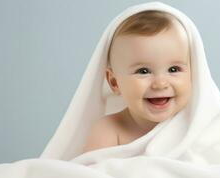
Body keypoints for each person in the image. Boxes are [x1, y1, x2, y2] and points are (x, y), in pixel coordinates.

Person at [82, 11, 192, 153]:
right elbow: (89, 175)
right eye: (143, 71)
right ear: (115, 82)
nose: (160, 83)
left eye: (173, 69)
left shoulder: (197, 125)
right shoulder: (109, 130)